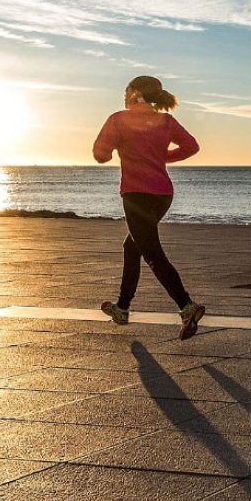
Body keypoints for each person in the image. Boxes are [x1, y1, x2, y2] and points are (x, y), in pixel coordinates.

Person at [92, 74, 207, 338]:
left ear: (136, 94)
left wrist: (113, 149)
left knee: (152, 253)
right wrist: (161, 157)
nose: (123, 95)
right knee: (132, 246)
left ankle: (186, 306)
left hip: (136, 195)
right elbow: (191, 146)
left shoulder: (118, 119)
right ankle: (122, 307)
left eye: (126, 90)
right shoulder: (166, 120)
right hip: (163, 194)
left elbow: (100, 155)